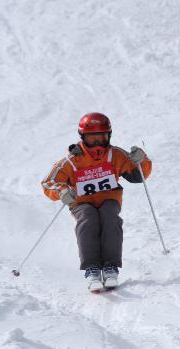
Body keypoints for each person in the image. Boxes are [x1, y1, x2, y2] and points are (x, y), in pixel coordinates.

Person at [42, 112, 152, 291]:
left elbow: (138, 175)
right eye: (92, 139)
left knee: (110, 216)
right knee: (88, 217)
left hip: (109, 198)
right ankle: (92, 268)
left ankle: (110, 267)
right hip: (81, 202)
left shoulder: (115, 155)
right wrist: (62, 191)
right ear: (82, 137)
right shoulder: (72, 160)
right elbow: (49, 182)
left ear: (109, 136)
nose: (97, 144)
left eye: (102, 138)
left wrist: (142, 161)